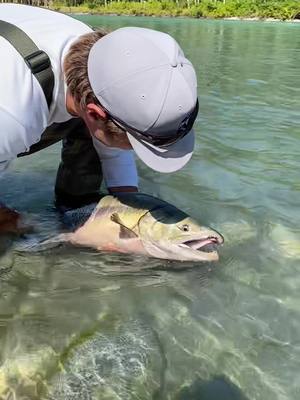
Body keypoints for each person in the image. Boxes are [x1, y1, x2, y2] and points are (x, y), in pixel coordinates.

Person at [0, 3, 198, 235]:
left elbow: (113, 144)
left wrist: (129, 218)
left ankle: (74, 210)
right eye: (135, 145)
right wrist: (26, 227)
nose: (133, 150)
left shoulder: (105, 57)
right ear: (94, 114)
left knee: (105, 136)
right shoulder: (12, 114)